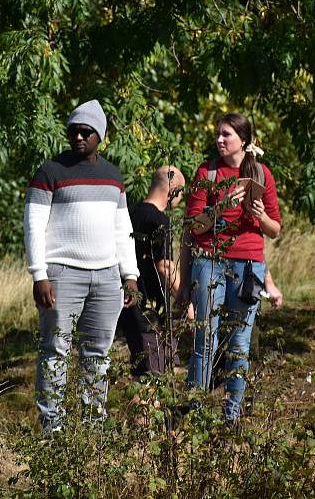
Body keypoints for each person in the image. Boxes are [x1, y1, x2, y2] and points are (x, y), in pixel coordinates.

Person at [23, 99, 140, 433]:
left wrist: (129, 275)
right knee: (55, 348)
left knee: (97, 353)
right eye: (73, 131)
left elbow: (123, 229)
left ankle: (92, 428)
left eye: (86, 132)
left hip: (106, 277)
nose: (78, 138)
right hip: (61, 273)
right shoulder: (50, 171)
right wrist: (39, 274)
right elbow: (33, 224)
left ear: (99, 136)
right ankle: (52, 428)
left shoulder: (113, 176)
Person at [179, 112, 281, 422]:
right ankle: (195, 412)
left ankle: (231, 416)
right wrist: (221, 206)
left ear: (244, 141)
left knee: (239, 344)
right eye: (218, 134)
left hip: (249, 267)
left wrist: (259, 214)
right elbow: (193, 227)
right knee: (205, 339)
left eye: (227, 135)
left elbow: (275, 229)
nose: (219, 139)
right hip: (210, 261)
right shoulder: (207, 173)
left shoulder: (262, 175)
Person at [117, 165, 189, 377]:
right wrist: (185, 297)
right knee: (151, 378)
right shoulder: (160, 221)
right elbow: (165, 267)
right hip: (150, 312)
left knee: (158, 371)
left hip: (129, 306)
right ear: (173, 191)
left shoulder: (129, 213)